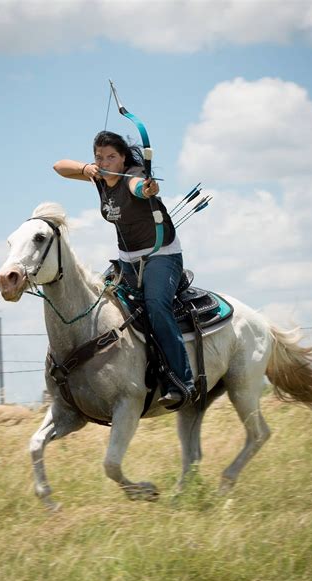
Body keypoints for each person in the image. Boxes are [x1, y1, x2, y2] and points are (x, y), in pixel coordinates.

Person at [53, 131, 195, 407]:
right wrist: (87, 169)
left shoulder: (134, 175)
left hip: (161, 256)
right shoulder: (98, 176)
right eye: (99, 157)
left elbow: (140, 188)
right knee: (101, 304)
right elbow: (59, 166)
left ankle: (182, 380)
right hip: (127, 261)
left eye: (111, 157)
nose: (105, 162)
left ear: (124, 159)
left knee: (156, 307)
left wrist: (148, 189)